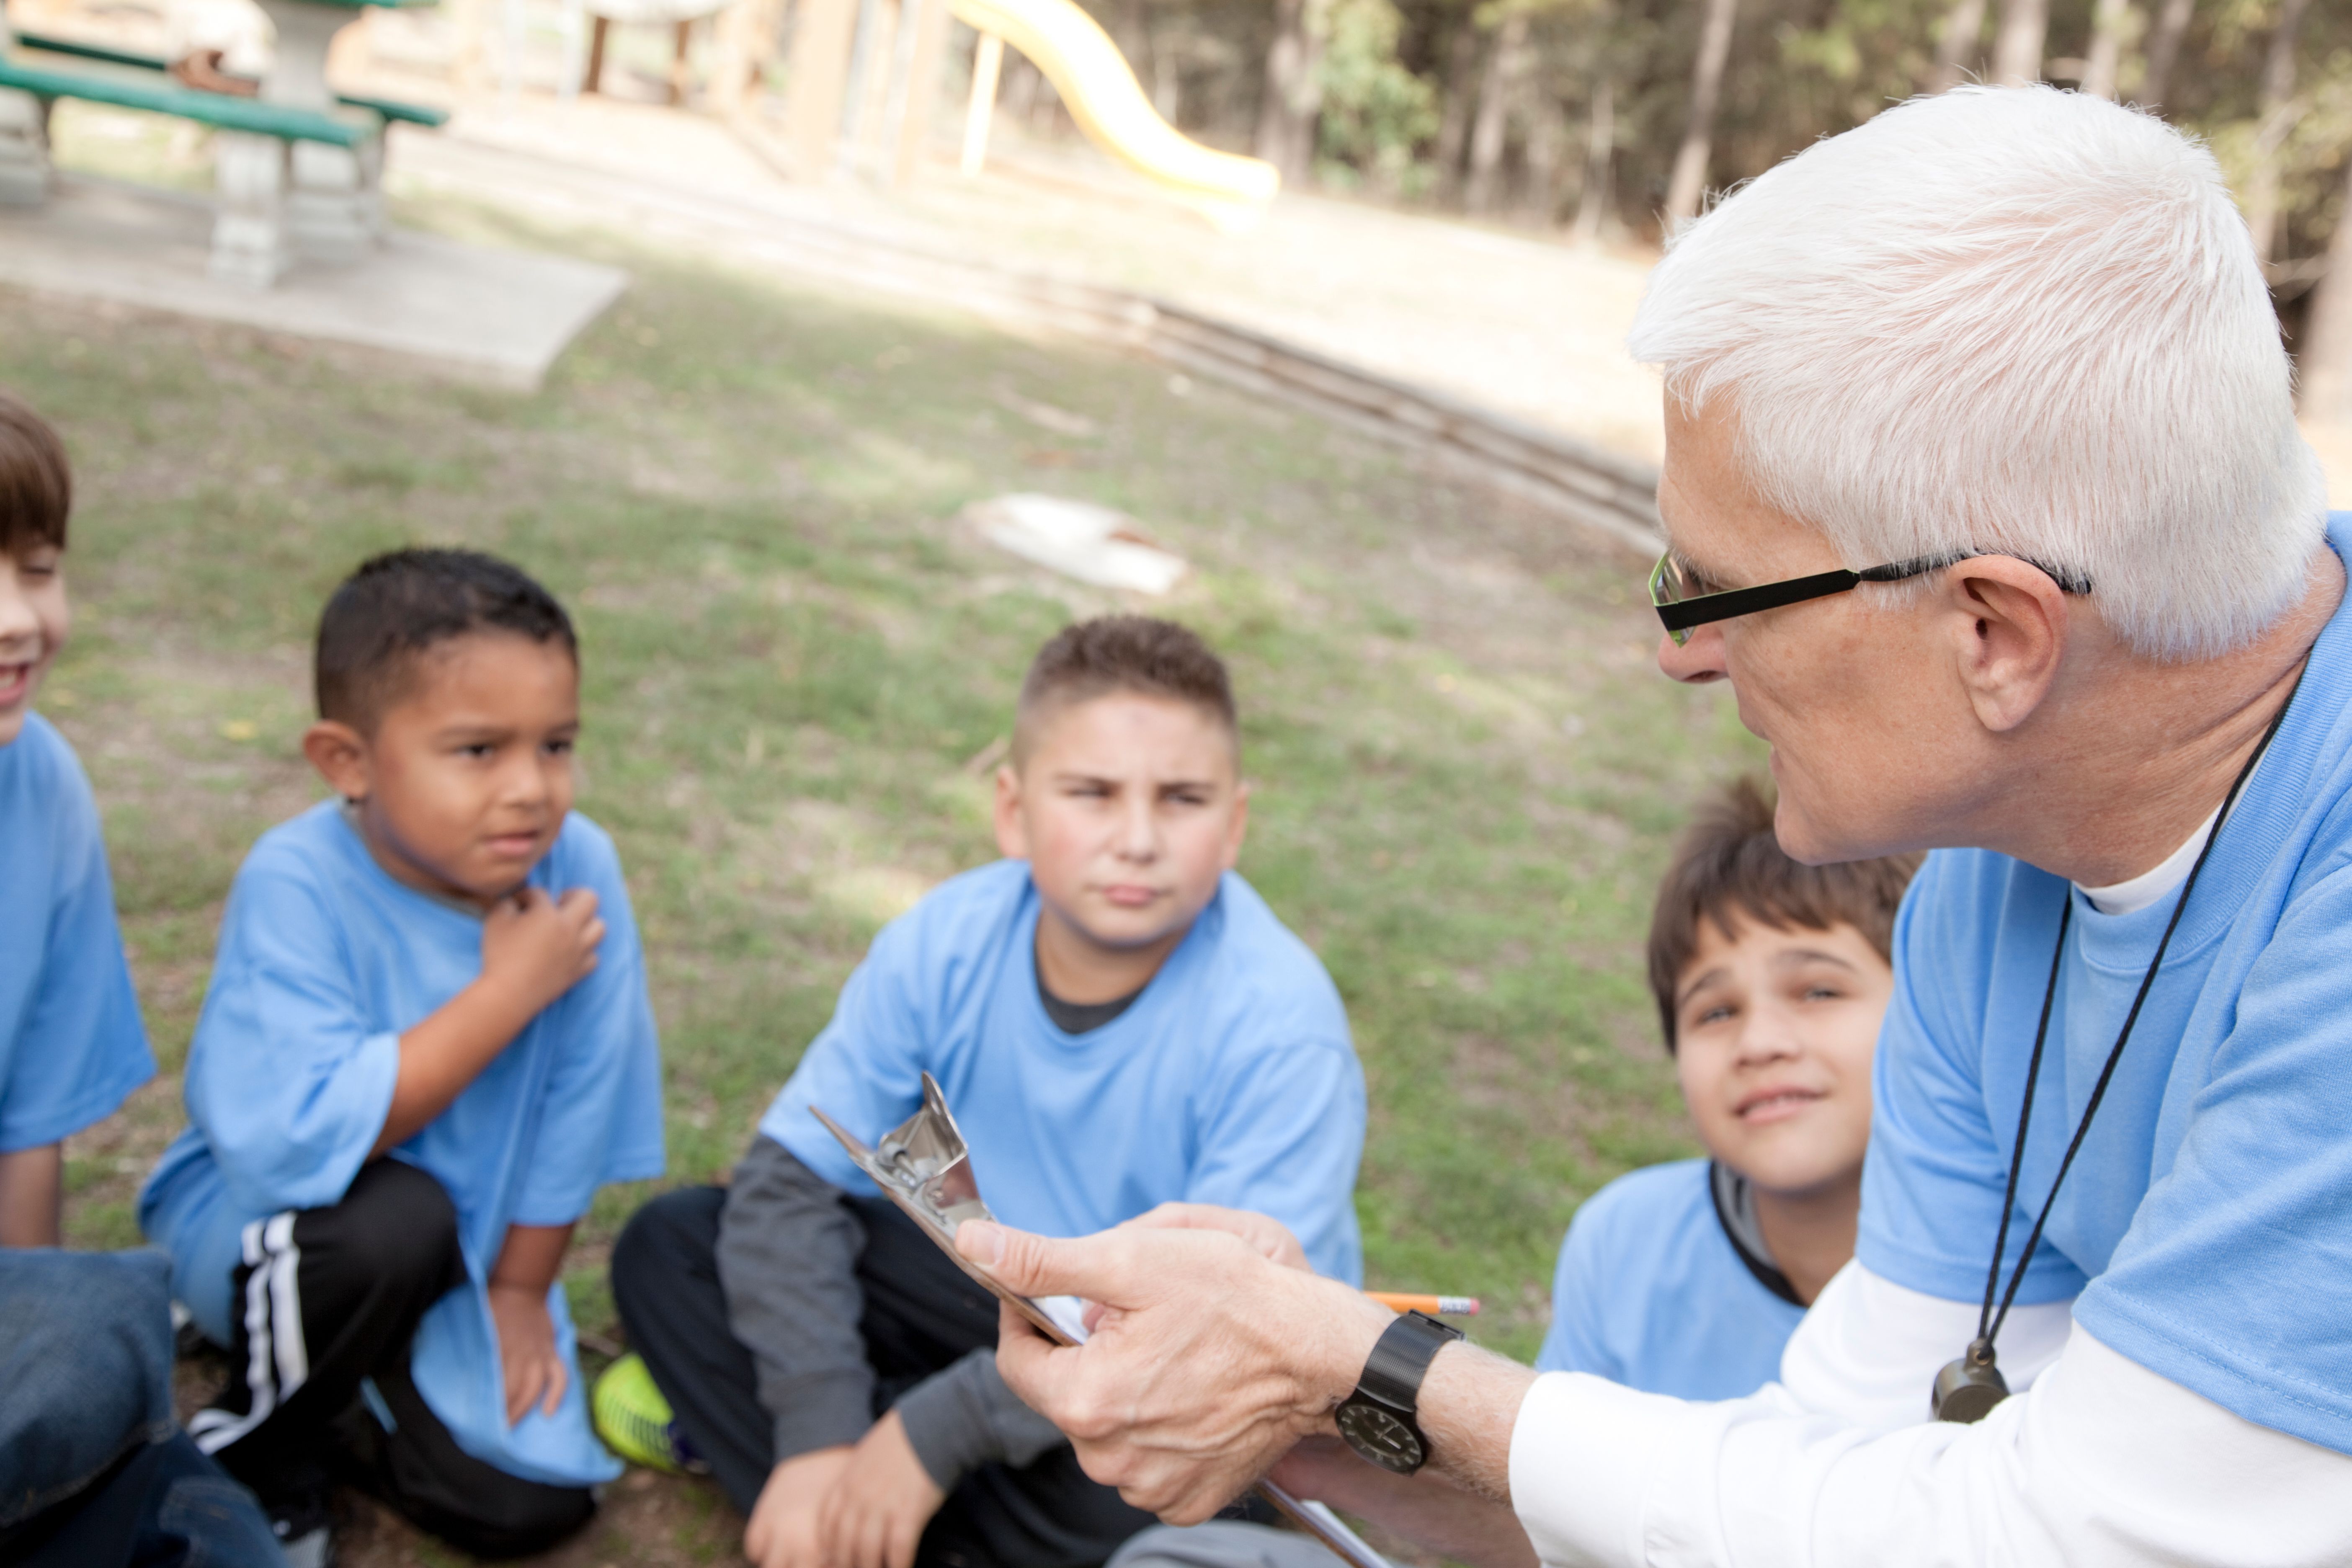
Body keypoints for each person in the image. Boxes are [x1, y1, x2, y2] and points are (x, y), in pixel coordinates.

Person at [934, 86, 2352, 1567]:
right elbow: (1840, 1464)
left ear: (1992, 631)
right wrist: (1297, 1395)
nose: (1677, 652)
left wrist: (1367, 1363)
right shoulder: (1978, 899)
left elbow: (2057, 1538)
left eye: (1712, 590)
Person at [606, 614, 1367, 1568]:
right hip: (990, 1302)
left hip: (1167, 1369)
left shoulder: (1280, 1025)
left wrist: (932, 1435)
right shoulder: (948, 938)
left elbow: (1223, 1336)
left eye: (1182, 799)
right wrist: (819, 1437)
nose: (1136, 839)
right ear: (1013, 809)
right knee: (675, 1246)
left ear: (1236, 825)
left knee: (1211, 1503)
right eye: (1091, 793)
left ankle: (878, 1506)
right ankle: (854, 1497)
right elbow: (791, 1182)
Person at [139, 548, 665, 1559]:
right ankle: (260, 1458)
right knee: (393, 1224)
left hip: (466, 1269)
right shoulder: (297, 881)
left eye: (556, 745)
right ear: (347, 760)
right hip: (279, 1235)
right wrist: (509, 991)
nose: (530, 789)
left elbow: (580, 1098)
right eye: (478, 751)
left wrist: (518, 1290)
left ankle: (343, 1389)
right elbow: (298, 1144)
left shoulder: (579, 866)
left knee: (528, 1506)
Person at [0, 391, 281, 1568]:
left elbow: (29, 1146)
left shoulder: (41, 788)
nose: (20, 618)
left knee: (216, 1536)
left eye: (41, 566)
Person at [1540, 776, 1916, 1398]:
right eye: (1715, 1013)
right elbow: (1539, 1489)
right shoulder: (1625, 1244)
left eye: (1818, 991)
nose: (1759, 1042)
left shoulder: (2038, 1283)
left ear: (1934, 1010)